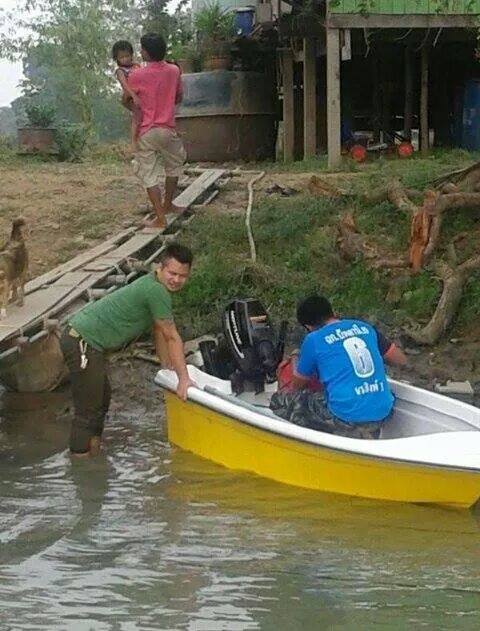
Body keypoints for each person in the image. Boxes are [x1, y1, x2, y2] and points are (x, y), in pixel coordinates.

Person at [60, 243, 195, 457]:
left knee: (101, 401)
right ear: (161, 267)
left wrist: (166, 366)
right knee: (88, 410)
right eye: (173, 273)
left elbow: (159, 330)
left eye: (182, 276)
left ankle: (93, 456)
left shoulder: (155, 286)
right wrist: (183, 379)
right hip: (82, 341)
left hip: (87, 341)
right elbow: (171, 335)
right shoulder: (155, 290)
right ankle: (81, 469)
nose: (176, 280)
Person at [270, 295, 407, 439]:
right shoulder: (364, 327)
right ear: (332, 312)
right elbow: (399, 360)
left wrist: (296, 358)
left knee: (281, 400)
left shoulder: (313, 340)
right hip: (383, 411)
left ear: (308, 327)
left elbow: (297, 386)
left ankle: (311, 440)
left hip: (346, 416)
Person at [128, 33, 186, 229]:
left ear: (145, 52)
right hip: (168, 128)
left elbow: (127, 98)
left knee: (148, 173)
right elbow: (179, 97)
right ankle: (169, 204)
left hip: (147, 129)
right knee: (173, 166)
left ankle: (160, 218)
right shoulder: (174, 70)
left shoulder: (136, 75)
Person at [112, 40, 142, 146]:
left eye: (127, 56)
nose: (125, 59)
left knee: (143, 118)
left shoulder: (137, 66)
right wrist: (134, 97)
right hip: (130, 97)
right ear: (116, 59)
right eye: (121, 57)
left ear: (131, 55)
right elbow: (125, 86)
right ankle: (134, 143)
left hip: (141, 95)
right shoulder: (121, 71)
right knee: (137, 118)